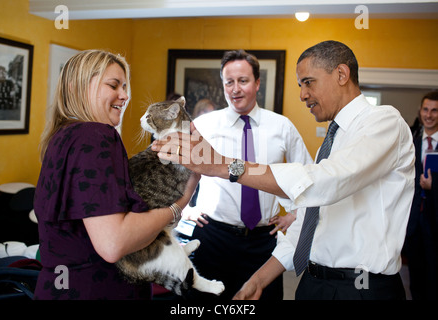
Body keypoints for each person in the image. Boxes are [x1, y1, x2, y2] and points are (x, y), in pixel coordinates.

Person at [152, 41, 415, 300]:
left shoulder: (384, 122)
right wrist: (259, 280)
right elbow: (312, 219)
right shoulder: (334, 139)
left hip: (360, 288)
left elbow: (323, 184)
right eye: (300, 85)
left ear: (341, 75)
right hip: (311, 281)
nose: (302, 94)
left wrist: (224, 166)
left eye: (308, 82)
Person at [33, 50, 198, 300]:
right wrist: (180, 203)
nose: (125, 95)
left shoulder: (62, 137)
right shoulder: (97, 136)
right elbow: (113, 244)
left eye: (124, 86)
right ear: (76, 88)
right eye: (113, 85)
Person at [181, 50, 312, 300]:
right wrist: (184, 207)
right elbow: (179, 171)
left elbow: (307, 176)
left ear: (257, 83)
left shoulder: (282, 127)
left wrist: (296, 214)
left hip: (262, 243)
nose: (235, 89)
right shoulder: (204, 125)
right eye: (229, 82)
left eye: (243, 81)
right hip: (213, 237)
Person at [404, 91, 438, 300]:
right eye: (426, 109)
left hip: (436, 222)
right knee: (415, 278)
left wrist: (435, 185)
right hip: (414, 222)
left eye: (435, 110)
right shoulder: (411, 144)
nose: (429, 115)